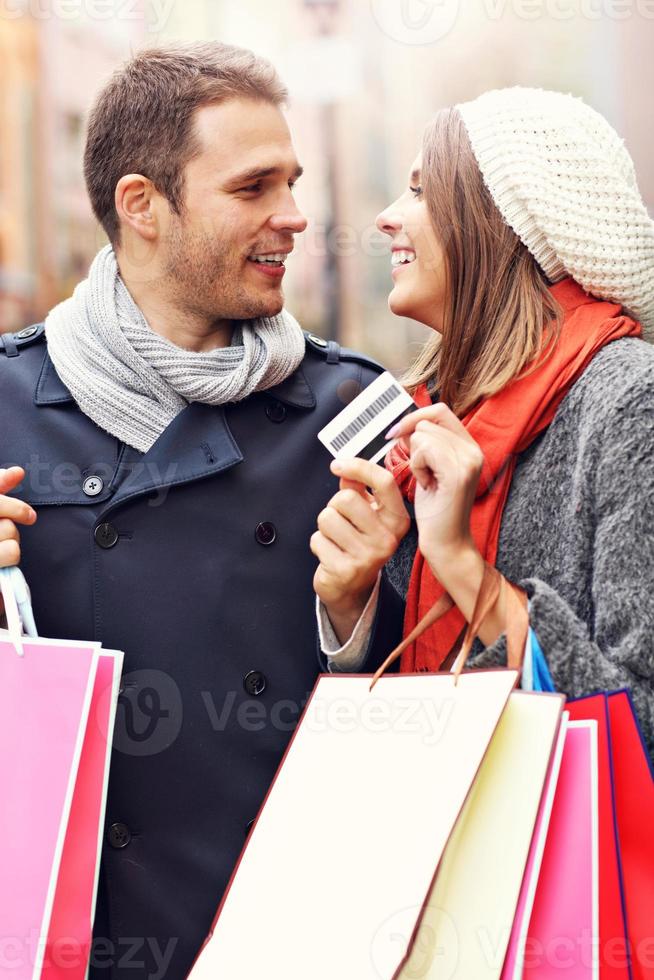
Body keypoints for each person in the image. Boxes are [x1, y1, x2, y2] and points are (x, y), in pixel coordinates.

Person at [0, 43, 402, 978]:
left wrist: (352, 616)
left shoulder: (356, 412)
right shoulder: (8, 404)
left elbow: (435, 703)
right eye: (254, 187)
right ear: (142, 206)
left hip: (291, 936)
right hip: (67, 941)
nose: (296, 217)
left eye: (293, 182)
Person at [313, 87, 654, 757]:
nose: (385, 218)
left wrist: (463, 566)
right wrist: (351, 603)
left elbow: (640, 724)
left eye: (420, 191)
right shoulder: (434, 418)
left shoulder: (629, 403)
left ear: (503, 223)